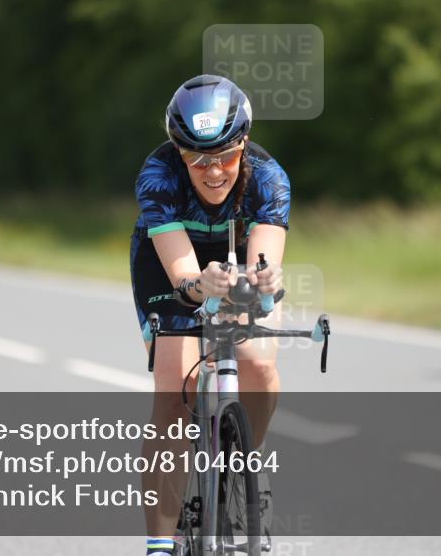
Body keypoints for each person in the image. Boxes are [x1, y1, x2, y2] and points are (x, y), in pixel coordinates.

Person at [130, 74, 289, 556]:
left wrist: (265, 282)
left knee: (259, 363)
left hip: (235, 254)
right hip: (169, 263)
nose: (213, 170)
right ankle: (161, 540)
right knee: (174, 394)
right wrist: (202, 285)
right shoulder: (157, 176)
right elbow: (182, 278)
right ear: (177, 150)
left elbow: (266, 257)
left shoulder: (268, 176)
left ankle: (241, 462)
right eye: (197, 157)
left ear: (244, 141)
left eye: (224, 154)